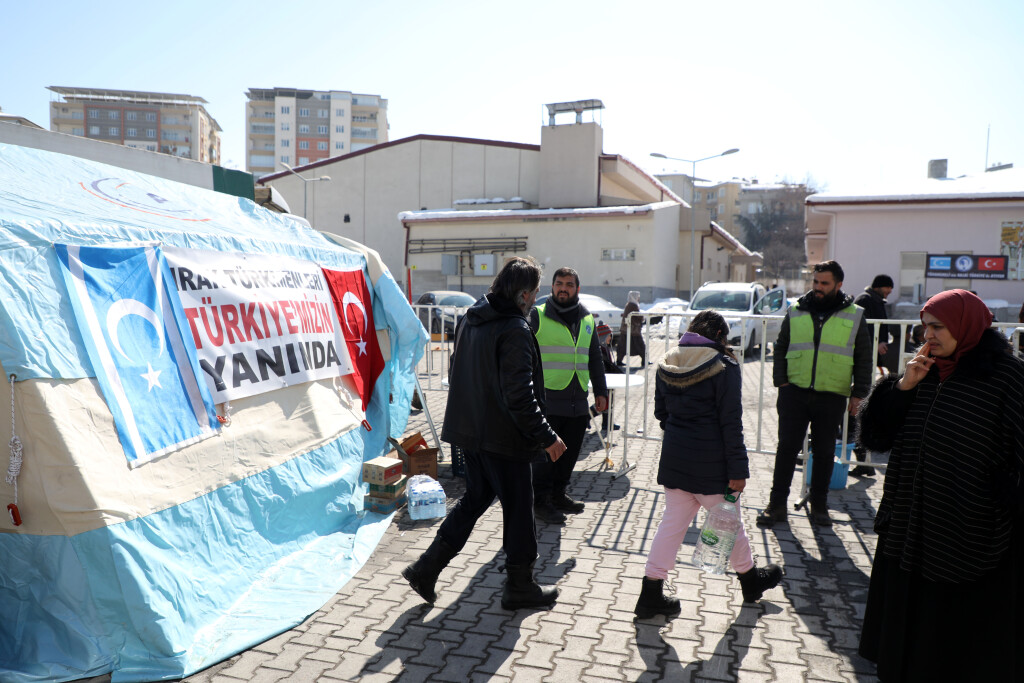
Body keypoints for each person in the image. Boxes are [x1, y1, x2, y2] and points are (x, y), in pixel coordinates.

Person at [857, 289, 1024, 681]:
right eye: (924, 327)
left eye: (937, 327)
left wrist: (995, 493)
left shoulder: (1006, 376)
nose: (926, 336)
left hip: (968, 525)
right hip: (909, 521)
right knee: (906, 625)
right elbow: (877, 436)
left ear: (966, 326)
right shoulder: (925, 368)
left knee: (951, 637)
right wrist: (902, 389)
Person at [402, 256, 567, 610]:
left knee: (475, 500)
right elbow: (520, 396)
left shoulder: (473, 318)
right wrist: (548, 436)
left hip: (472, 433)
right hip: (501, 439)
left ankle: (426, 568)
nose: (536, 301)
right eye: (535, 294)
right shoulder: (514, 329)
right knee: (520, 512)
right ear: (523, 295)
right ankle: (520, 585)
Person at [634, 310, 783, 618]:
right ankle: (751, 581)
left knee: (671, 528)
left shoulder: (668, 360)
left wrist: (681, 432)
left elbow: (661, 413)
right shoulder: (724, 366)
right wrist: (739, 470)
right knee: (729, 524)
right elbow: (731, 422)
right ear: (720, 337)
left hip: (675, 459)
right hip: (713, 465)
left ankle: (650, 593)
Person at [756, 260, 872, 528]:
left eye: (824, 283)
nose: (818, 288)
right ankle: (776, 506)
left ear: (838, 285)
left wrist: (859, 394)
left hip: (832, 395)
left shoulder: (854, 314)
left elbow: (863, 358)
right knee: (786, 450)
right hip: (794, 393)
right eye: (816, 282)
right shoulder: (796, 309)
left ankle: (819, 506)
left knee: (823, 452)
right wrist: (781, 382)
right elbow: (781, 345)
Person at [530, 267, 609, 524]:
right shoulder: (537, 316)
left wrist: (600, 391)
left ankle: (558, 495)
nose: (564, 288)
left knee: (570, 453)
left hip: (577, 402)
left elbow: (595, 358)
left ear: (577, 288)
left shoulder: (587, 319)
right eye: (559, 283)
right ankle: (540, 502)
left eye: (569, 284)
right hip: (547, 401)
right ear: (552, 287)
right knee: (545, 457)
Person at [851, 274, 895, 477]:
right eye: (887, 288)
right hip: (861, 363)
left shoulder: (876, 300)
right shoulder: (864, 300)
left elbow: (880, 327)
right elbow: (863, 330)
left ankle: (864, 462)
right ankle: (864, 462)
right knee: (853, 414)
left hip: (868, 364)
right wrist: (875, 343)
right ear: (879, 286)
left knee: (857, 413)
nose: (889, 292)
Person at [590, 322, 621, 435]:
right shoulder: (600, 350)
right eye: (609, 335)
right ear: (603, 336)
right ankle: (588, 414)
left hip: (609, 379)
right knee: (606, 401)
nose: (610, 338)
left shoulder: (605, 348)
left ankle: (607, 423)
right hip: (605, 380)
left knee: (609, 401)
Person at [616, 290, 646, 366]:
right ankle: (644, 361)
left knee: (623, 346)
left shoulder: (631, 304)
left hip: (628, 330)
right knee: (640, 345)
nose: (638, 298)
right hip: (632, 330)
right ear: (634, 297)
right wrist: (642, 318)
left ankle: (619, 361)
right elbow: (636, 316)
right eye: (637, 297)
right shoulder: (632, 305)